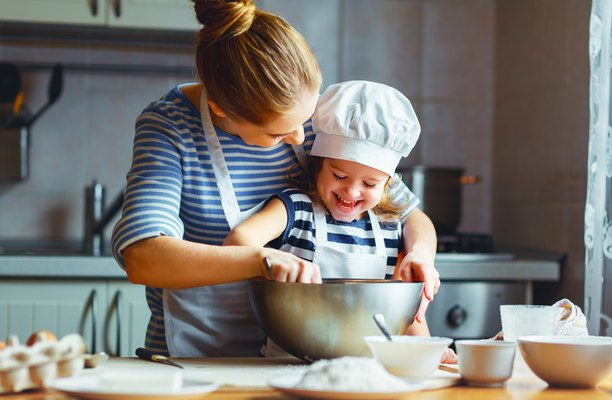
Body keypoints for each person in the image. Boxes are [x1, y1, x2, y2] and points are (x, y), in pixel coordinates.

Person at [111, 0, 440, 358]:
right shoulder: (171, 127)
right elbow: (143, 256)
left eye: (306, 118)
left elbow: (407, 214)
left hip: (297, 361)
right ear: (222, 109)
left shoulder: (321, 122)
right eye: (278, 134)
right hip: (197, 360)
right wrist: (260, 260)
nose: (301, 137)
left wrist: (420, 254)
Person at [224, 80, 456, 362]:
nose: (352, 191)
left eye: (370, 183)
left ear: (388, 185)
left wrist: (419, 256)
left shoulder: (388, 224)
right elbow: (238, 241)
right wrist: (270, 260)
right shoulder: (296, 209)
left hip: (367, 369)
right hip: (288, 363)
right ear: (318, 164)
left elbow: (418, 223)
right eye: (339, 176)